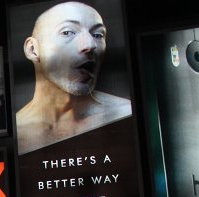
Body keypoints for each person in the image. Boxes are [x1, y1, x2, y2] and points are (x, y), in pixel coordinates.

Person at [15, 1, 132, 155]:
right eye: (68, 32)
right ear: (33, 49)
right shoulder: (18, 130)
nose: (90, 45)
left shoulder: (125, 115)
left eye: (97, 35)